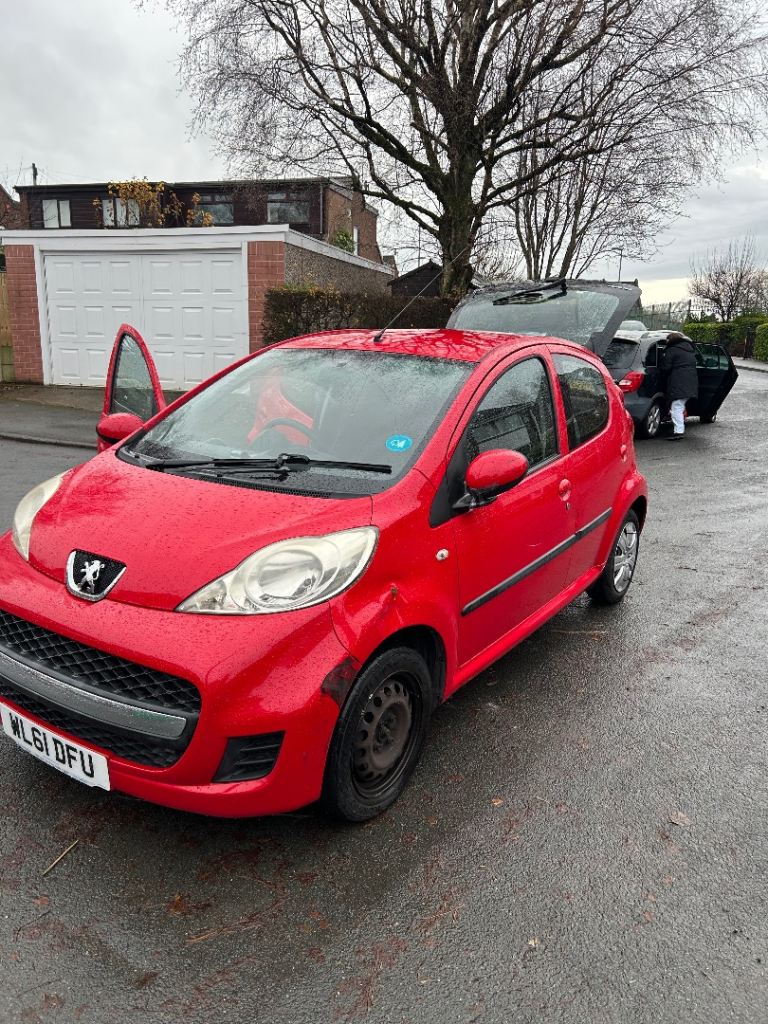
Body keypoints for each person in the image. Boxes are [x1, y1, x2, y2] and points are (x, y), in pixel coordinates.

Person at [661, 332, 698, 440]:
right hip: (690, 381)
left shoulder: (672, 350)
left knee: (676, 406)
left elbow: (665, 367)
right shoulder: (689, 350)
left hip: (678, 382)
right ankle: (679, 428)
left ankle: (678, 432)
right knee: (680, 405)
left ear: (671, 340)